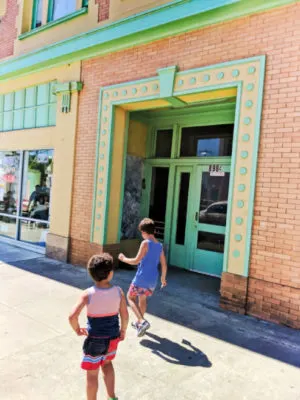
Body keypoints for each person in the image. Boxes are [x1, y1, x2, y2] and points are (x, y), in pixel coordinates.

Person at [69, 253, 129, 400]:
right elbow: (125, 315)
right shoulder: (118, 292)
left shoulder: (87, 294)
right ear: (110, 274)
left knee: (92, 374)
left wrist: (77, 329)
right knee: (108, 364)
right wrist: (123, 330)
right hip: (113, 337)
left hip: (95, 340)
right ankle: (112, 396)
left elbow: (72, 316)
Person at [118, 218, 168, 338]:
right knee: (143, 299)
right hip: (152, 280)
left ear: (145, 232)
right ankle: (139, 323)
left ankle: (142, 321)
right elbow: (164, 264)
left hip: (141, 277)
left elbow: (136, 261)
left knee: (130, 297)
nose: (142, 235)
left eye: (142, 233)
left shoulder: (145, 243)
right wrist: (163, 279)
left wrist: (123, 258)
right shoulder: (159, 245)